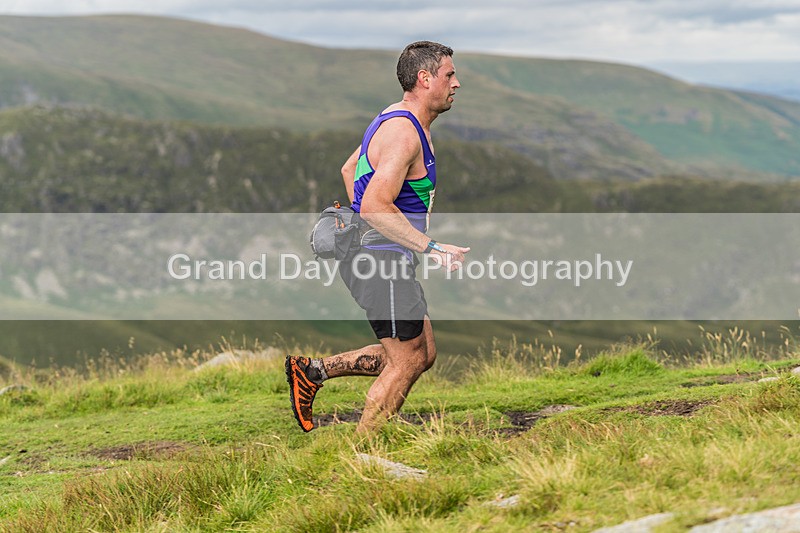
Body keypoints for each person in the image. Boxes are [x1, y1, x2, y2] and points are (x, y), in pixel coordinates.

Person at [286, 41, 469, 434]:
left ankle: (312, 372)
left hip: (381, 257)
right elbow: (372, 205)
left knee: (422, 353)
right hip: (380, 262)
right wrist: (430, 247)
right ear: (425, 79)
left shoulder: (394, 117)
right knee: (407, 360)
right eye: (450, 75)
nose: (456, 83)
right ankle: (363, 452)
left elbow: (350, 167)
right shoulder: (404, 134)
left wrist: (368, 231)